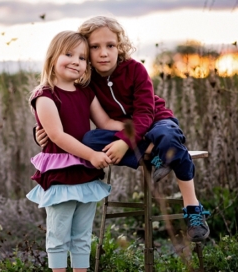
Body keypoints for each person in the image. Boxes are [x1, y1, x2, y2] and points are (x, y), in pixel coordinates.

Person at [35, 16, 211, 243]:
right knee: (90, 139)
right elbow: (65, 108)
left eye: (110, 46)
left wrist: (125, 142)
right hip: (121, 131)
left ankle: (193, 207)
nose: (103, 53)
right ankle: (155, 154)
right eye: (95, 47)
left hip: (156, 123)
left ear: (120, 47)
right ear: (87, 52)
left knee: (168, 137)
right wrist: (41, 131)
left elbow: (146, 114)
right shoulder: (87, 81)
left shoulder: (136, 70)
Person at [26, 30, 124, 272]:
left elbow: (106, 123)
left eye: (82, 58)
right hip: (61, 173)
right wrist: (91, 155)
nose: (76, 61)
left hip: (84, 173)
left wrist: (140, 128)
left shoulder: (85, 93)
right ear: (52, 57)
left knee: (81, 238)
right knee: (58, 238)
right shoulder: (45, 95)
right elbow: (58, 136)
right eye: (68, 54)